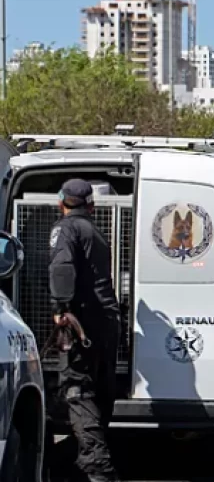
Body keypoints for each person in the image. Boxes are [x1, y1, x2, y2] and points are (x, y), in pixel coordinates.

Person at [49, 178, 121, 482]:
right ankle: (81, 460)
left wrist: (61, 309)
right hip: (106, 321)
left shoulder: (65, 228)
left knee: (78, 390)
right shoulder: (95, 231)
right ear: (91, 205)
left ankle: (97, 468)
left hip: (82, 322)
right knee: (100, 392)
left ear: (61, 202)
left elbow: (62, 267)